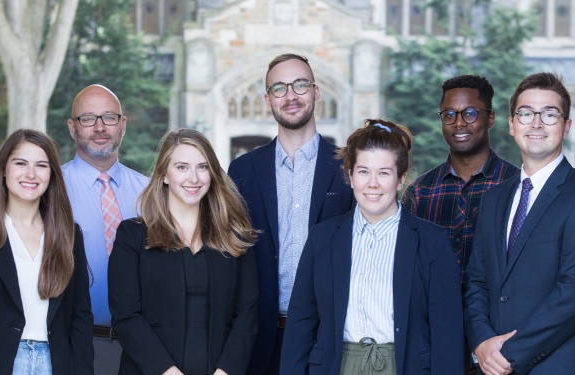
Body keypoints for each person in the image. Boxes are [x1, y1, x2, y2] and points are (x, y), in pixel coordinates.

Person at [281, 119, 464, 375]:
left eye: (384, 173)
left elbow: (448, 332)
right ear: (351, 176)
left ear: (401, 179)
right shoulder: (322, 238)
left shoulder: (432, 242)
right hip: (337, 366)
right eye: (364, 171)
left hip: (403, 365)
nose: (373, 183)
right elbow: (301, 322)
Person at [463, 73, 575, 375]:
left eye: (549, 114)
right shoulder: (494, 200)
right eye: (526, 113)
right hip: (491, 365)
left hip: (558, 366)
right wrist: (481, 343)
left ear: (566, 126)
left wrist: (509, 355)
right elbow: (477, 281)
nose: (536, 123)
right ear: (511, 124)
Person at [227, 53, 354, 375]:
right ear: (268, 100)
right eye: (280, 88)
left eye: (300, 84)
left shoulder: (349, 166)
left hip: (329, 336)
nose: (291, 96)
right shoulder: (242, 170)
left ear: (316, 91)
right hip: (260, 338)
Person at [110, 129, 259, 375]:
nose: (194, 178)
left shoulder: (235, 236)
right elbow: (126, 317)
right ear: (164, 175)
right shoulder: (132, 236)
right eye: (181, 167)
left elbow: (247, 316)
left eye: (202, 167)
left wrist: (225, 371)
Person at [0, 129, 93, 375]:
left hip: (54, 363)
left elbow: (80, 319)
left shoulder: (68, 235)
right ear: (4, 169)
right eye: (21, 163)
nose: (31, 174)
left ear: (52, 174)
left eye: (41, 165)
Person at [61, 84, 150, 374]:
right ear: (73, 128)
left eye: (109, 118)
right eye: (88, 119)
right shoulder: (50, 190)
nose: (100, 127)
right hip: (73, 345)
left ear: (122, 125)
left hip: (144, 349)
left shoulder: (151, 195)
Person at [403, 75, 519, 284]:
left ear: (490, 118)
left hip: (496, 315)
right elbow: (406, 264)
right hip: (435, 314)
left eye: (470, 114)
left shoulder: (516, 185)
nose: (458, 123)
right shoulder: (420, 191)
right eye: (449, 114)